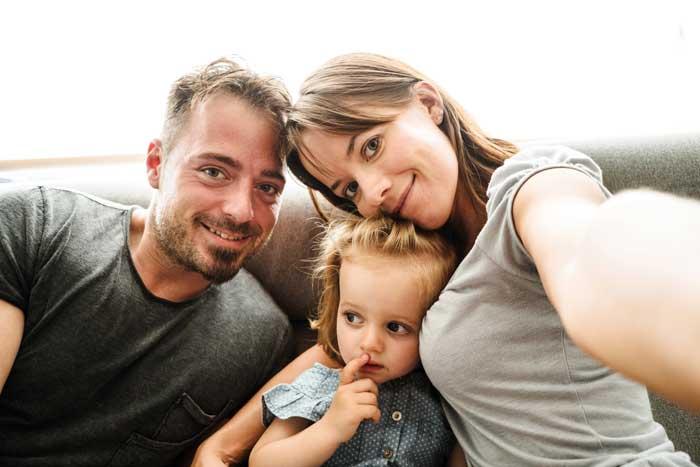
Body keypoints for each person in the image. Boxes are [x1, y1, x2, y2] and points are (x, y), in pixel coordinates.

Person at [279, 53, 699, 466]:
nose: (372, 194)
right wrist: (221, 446)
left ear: (428, 105)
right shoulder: (420, 259)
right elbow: (343, 342)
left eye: (372, 146)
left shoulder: (528, 188)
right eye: (350, 189)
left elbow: (587, 253)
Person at [0, 57, 294, 466]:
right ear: (156, 164)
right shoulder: (35, 226)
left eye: (266, 187)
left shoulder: (264, 336)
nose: (242, 211)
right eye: (213, 171)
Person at [249, 215, 465, 466]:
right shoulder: (321, 387)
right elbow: (262, 461)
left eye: (395, 327)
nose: (369, 343)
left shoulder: (445, 400)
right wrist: (329, 429)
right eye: (353, 317)